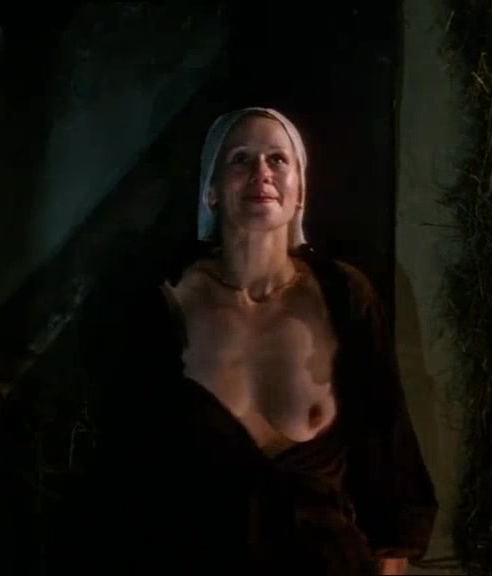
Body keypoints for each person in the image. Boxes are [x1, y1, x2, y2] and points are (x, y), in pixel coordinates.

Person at [79, 107, 437, 575]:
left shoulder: (343, 296)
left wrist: (391, 558)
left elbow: (385, 436)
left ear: (300, 190)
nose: (261, 173)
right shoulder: (165, 304)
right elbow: (126, 467)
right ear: (211, 190)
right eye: (241, 159)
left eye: (277, 159)